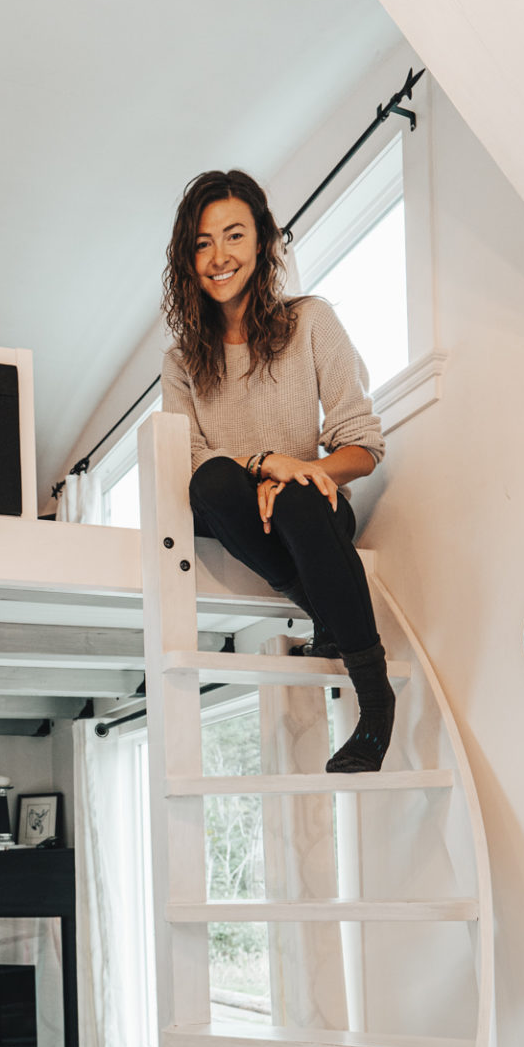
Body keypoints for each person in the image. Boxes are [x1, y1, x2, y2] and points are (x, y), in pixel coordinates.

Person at [161, 168, 392, 773]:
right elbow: (188, 461)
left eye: (234, 236)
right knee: (212, 480)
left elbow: (362, 447)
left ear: (262, 242)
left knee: (295, 496)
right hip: (234, 514)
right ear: (188, 258)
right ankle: (324, 608)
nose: (218, 256)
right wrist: (265, 463)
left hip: (308, 512)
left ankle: (375, 699)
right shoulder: (183, 360)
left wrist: (303, 472)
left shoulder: (311, 321)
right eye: (202, 242)